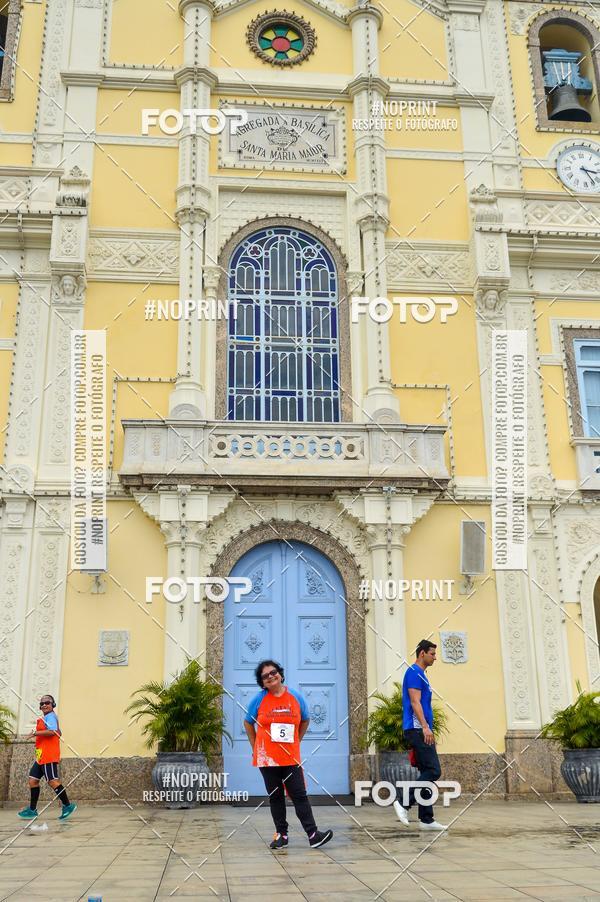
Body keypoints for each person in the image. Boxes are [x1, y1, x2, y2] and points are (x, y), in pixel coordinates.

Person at [244, 659, 333, 850]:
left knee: (299, 795)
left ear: (280, 674)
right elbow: (248, 722)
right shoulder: (258, 699)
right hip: (267, 758)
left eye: (273, 672)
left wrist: (296, 741)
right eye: (265, 676)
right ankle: (282, 836)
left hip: (290, 758)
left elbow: (306, 719)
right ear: (262, 682)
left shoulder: (295, 697)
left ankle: (313, 835)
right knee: (276, 797)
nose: (270, 677)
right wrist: (255, 747)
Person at [393, 640, 447, 832]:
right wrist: (425, 727)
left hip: (421, 729)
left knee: (427, 771)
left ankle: (426, 819)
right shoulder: (415, 673)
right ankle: (403, 802)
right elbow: (415, 703)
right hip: (417, 729)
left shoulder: (421, 675)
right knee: (433, 770)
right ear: (422, 653)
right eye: (432, 653)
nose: (435, 657)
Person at [18, 694, 77, 821]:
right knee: (33, 780)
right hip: (41, 756)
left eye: (47, 702)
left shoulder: (50, 716)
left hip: (48, 755)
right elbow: (57, 731)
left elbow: (52, 731)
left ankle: (68, 805)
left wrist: (35, 733)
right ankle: (32, 810)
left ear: (53, 705)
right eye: (42, 703)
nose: (44, 705)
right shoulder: (48, 717)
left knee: (52, 781)